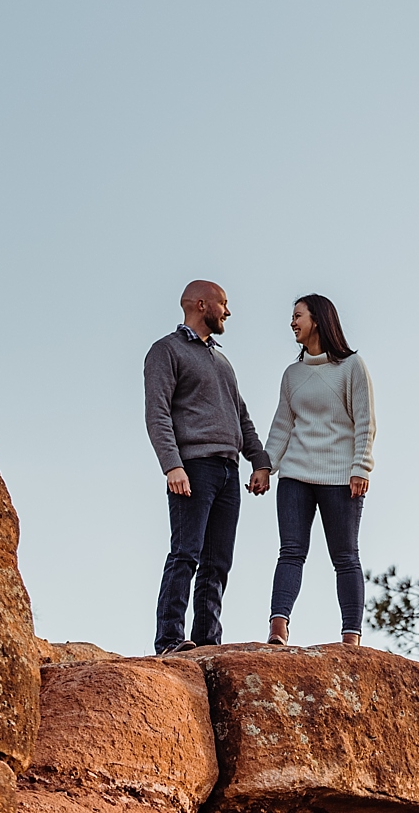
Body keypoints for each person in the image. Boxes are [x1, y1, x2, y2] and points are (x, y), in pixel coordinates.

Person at [143, 279, 272, 655]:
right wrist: (172, 465)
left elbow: (241, 416)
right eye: (223, 303)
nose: (228, 311)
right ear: (201, 305)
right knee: (186, 553)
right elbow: (157, 413)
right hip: (193, 468)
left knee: (218, 563)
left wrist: (259, 461)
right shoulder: (166, 350)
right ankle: (169, 640)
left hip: (229, 471)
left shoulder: (222, 361)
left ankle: (206, 644)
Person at [264, 292, 376, 646]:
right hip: (295, 476)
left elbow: (365, 422)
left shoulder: (351, 367)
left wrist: (361, 467)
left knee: (346, 557)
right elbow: (282, 426)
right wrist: (266, 467)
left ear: (318, 319)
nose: (292, 323)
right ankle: (278, 627)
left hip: (340, 477)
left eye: (298, 316)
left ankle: (351, 636)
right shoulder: (292, 374)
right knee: (290, 552)